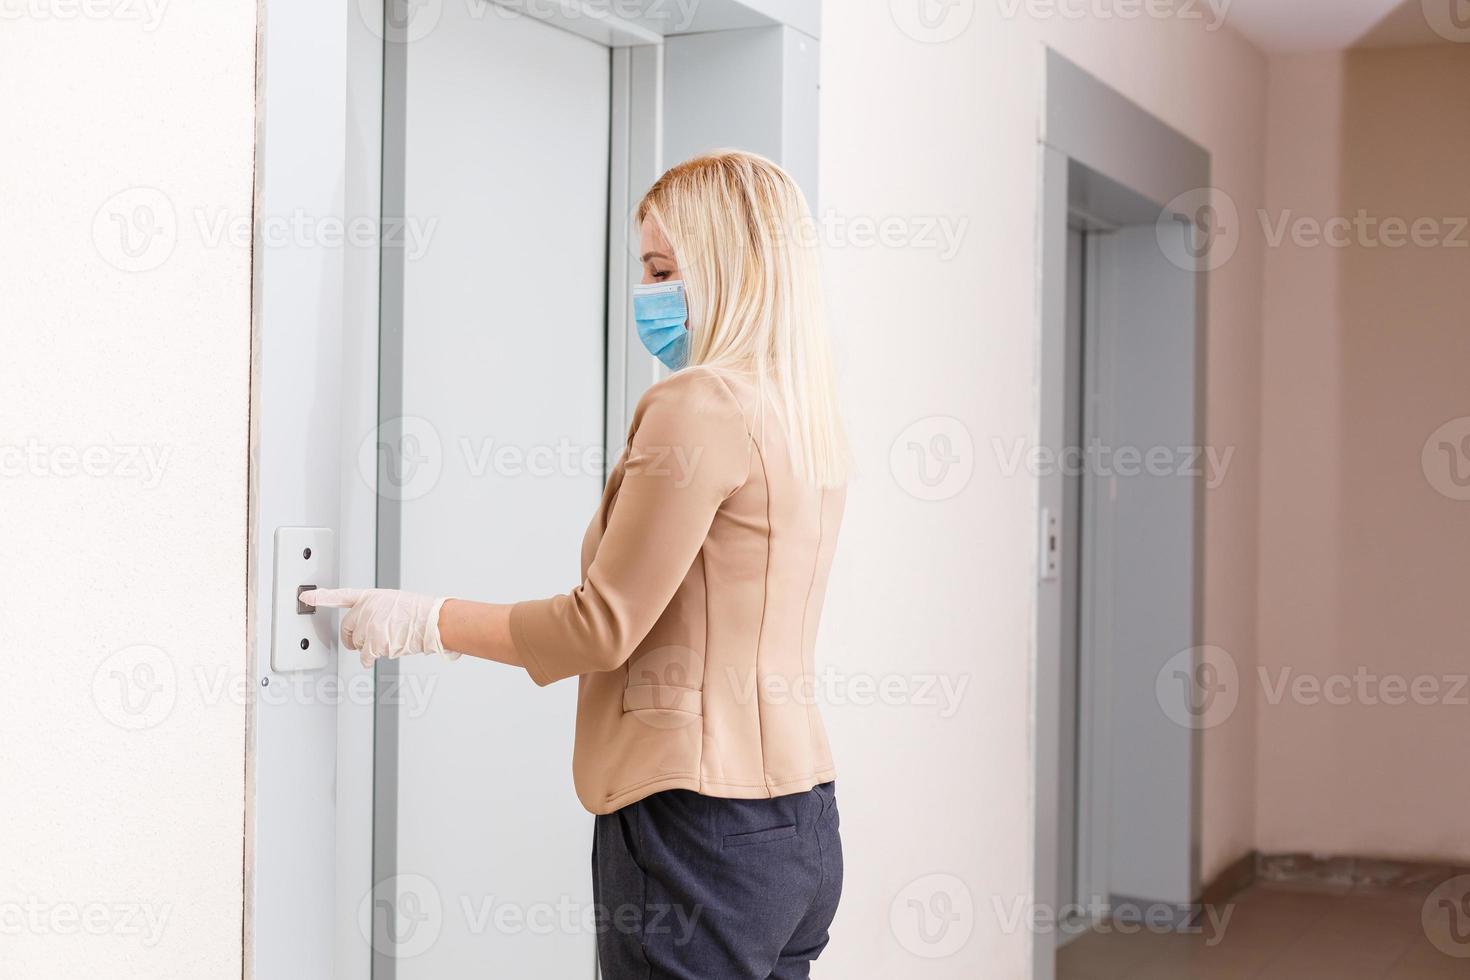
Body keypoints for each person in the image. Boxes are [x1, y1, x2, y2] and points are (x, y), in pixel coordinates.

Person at [305, 149, 849, 979]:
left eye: (665, 269)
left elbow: (602, 627)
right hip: (800, 826)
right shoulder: (804, 414)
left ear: (730, 269)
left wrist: (424, 620)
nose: (649, 294)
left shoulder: (699, 403)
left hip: (695, 825)